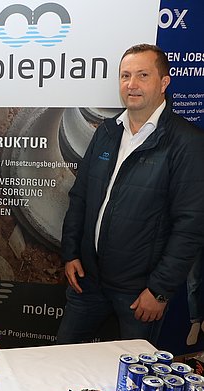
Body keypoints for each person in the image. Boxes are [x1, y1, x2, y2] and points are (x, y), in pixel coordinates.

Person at [57, 44, 204, 344]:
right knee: (62, 357)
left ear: (164, 83)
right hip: (88, 282)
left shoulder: (186, 142)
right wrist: (71, 252)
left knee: (130, 372)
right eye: (125, 75)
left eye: (142, 75)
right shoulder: (107, 132)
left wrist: (159, 291)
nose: (131, 84)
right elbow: (80, 197)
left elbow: (190, 226)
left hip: (139, 294)